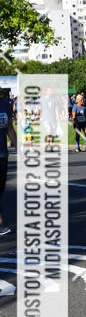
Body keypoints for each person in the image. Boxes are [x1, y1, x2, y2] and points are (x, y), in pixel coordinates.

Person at [0, 89, 17, 235]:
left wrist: (19, 147)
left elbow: (10, 129)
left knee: (1, 188)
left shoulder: (5, 103)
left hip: (2, 153)